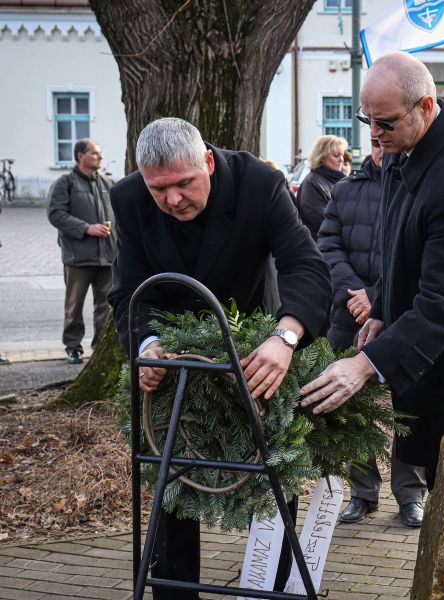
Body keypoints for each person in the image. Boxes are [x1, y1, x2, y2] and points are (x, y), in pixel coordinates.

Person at [108, 117, 332, 600]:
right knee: (172, 486)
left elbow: (306, 266)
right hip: (175, 361)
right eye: (159, 189)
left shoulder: (260, 183)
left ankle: (272, 588)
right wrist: (146, 348)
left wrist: (285, 337)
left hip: (256, 351)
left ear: (207, 162)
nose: (172, 200)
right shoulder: (128, 199)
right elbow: (128, 292)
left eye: (185, 183)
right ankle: (173, 592)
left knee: (272, 477)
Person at [298, 52, 444, 488]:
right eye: (368, 122)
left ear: (426, 107)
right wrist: (382, 308)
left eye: (386, 123)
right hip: (430, 364)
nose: (375, 137)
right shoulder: (407, 149)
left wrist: (364, 366)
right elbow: (399, 245)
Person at [317, 137, 427, 528]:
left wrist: (376, 297)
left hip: (403, 317)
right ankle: (363, 493)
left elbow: (419, 256)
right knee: (352, 411)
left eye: (388, 140)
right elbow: (328, 245)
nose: (384, 148)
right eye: (376, 142)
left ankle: (410, 495)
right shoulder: (345, 190)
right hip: (349, 317)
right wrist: (355, 294)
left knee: (408, 410)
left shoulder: (419, 187)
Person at [47, 139, 115, 364]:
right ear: (80, 156)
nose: (100, 157)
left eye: (100, 153)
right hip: (78, 258)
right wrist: (86, 228)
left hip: (107, 258)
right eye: (95, 153)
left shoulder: (108, 183)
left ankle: (100, 348)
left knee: (106, 306)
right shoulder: (65, 183)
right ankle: (73, 347)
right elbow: (55, 214)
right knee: (74, 305)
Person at [296, 134, 347, 240]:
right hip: (321, 246)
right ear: (322, 158)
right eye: (336, 155)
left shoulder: (340, 180)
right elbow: (320, 220)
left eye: (342, 155)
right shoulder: (312, 183)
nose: (341, 160)